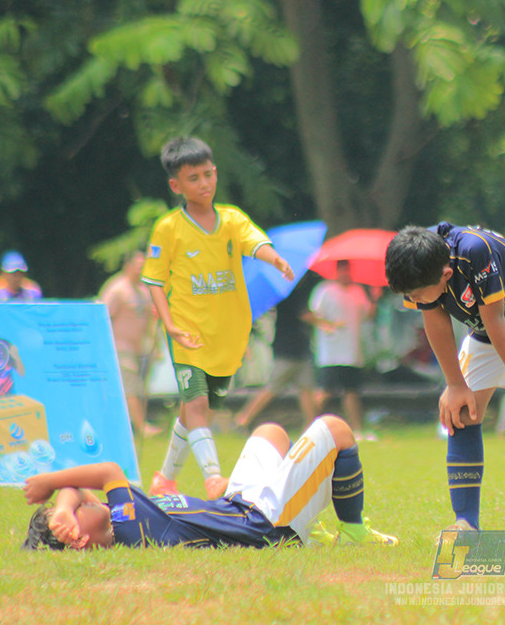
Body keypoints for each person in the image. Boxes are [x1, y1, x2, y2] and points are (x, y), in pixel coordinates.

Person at [384, 223, 505, 545]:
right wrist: (454, 385)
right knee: (460, 414)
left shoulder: (473, 251)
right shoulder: (419, 255)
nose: (413, 300)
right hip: (489, 330)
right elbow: (433, 316)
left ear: (446, 275)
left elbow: (495, 317)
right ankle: (465, 525)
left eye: (415, 295)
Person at [142, 136, 294, 500]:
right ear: (176, 185)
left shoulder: (231, 219)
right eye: (194, 178)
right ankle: (214, 479)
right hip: (188, 335)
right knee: (197, 405)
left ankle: (164, 479)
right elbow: (155, 282)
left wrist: (274, 259)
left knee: (193, 409)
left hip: (227, 334)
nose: (205, 183)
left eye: (209, 174)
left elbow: (253, 241)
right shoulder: (168, 228)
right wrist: (171, 325)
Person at [21, 415, 397, 549]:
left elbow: (77, 490)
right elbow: (105, 473)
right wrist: (50, 483)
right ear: (79, 539)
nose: (84, 502)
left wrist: (64, 506)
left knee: (270, 432)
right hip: (266, 523)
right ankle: (352, 531)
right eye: (75, 515)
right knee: (335, 430)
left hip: (238, 505)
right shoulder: (129, 528)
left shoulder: (110, 517)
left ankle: (310, 525)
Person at [302, 260, 376, 437]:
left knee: (351, 391)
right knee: (326, 390)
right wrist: (328, 325)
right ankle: (309, 427)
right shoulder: (324, 290)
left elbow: (367, 315)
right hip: (331, 352)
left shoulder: (357, 291)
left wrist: (375, 298)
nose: (346, 274)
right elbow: (312, 314)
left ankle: (357, 429)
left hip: (352, 351)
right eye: (342, 271)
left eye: (348, 271)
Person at [235, 277, 318, 429]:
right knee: (272, 388)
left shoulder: (288, 293)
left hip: (299, 349)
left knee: (306, 388)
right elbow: (304, 315)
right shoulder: (291, 294)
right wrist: (326, 323)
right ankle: (243, 418)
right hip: (287, 351)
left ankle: (311, 425)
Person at [99, 250, 161, 438]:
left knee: (137, 386)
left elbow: (150, 318)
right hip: (120, 346)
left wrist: (154, 344)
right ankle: (142, 427)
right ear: (128, 266)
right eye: (139, 266)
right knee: (130, 385)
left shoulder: (143, 291)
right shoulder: (117, 289)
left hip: (138, 348)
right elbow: (103, 317)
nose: (142, 270)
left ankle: (129, 425)